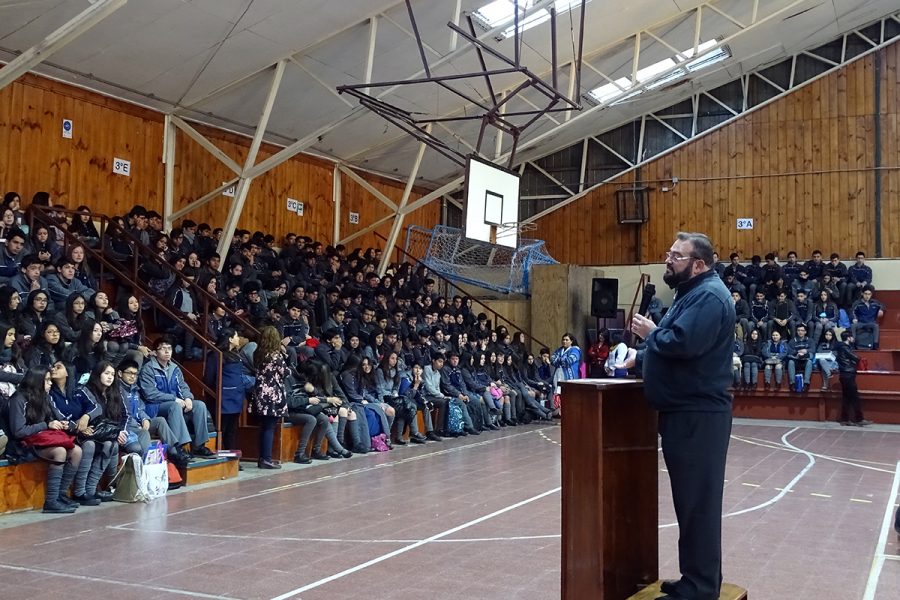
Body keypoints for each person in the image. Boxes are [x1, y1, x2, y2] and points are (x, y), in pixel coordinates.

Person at [622, 232, 734, 600]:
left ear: (699, 264)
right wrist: (642, 356)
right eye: (669, 253)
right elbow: (674, 343)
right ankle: (694, 580)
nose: (668, 260)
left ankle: (701, 589)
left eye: (676, 255)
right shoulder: (693, 293)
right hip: (685, 413)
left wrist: (652, 336)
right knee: (690, 503)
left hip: (697, 415)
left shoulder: (709, 296)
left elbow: (684, 344)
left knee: (698, 505)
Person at [7, 365, 83, 513]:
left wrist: (63, 423)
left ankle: (61, 494)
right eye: (47, 380)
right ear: (37, 380)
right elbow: (19, 431)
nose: (50, 383)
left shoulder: (45, 397)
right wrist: (46, 425)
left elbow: (56, 416)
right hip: (23, 444)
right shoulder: (19, 399)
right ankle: (51, 501)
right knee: (60, 451)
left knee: (77, 451)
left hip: (42, 439)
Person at [138, 336, 213, 458]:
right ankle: (179, 447)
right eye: (163, 349)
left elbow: (183, 386)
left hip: (174, 402)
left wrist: (188, 397)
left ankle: (199, 446)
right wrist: (173, 398)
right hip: (153, 406)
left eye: (169, 348)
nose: (167, 352)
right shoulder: (148, 369)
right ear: (155, 352)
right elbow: (150, 394)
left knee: (199, 405)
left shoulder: (174, 367)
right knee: (174, 406)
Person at [250, 326, 289, 469]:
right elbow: (285, 372)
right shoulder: (275, 356)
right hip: (272, 394)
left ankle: (262, 458)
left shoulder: (257, 354)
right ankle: (266, 459)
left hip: (260, 393)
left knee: (264, 427)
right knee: (269, 427)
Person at [836, 331, 871, 427]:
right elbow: (856, 358)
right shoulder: (845, 347)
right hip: (848, 374)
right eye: (851, 337)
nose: (853, 339)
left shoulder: (841, 347)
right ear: (848, 338)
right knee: (854, 397)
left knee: (846, 398)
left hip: (844, 374)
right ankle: (859, 419)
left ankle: (844, 419)